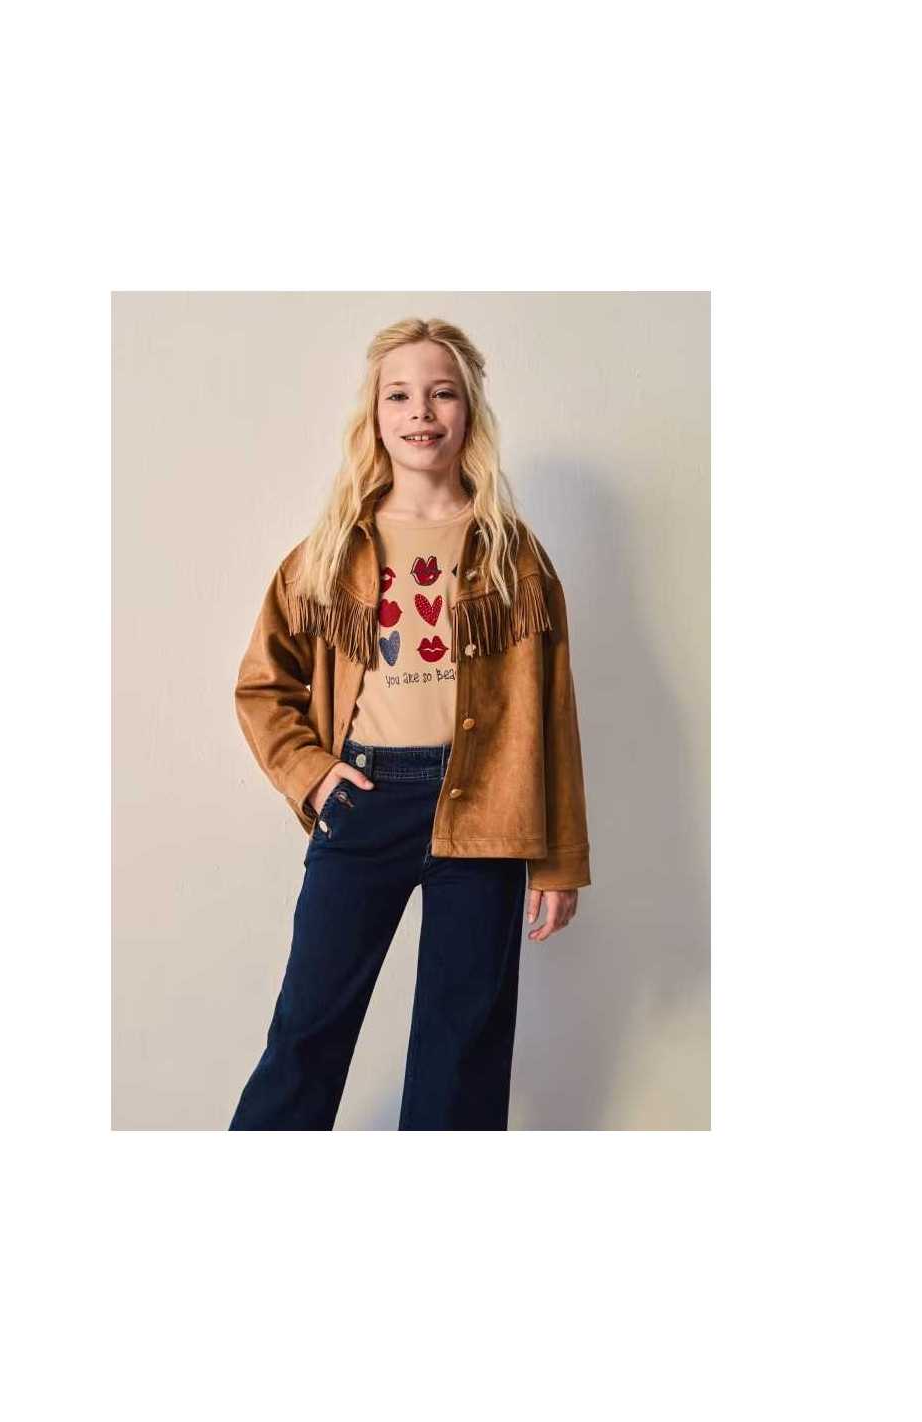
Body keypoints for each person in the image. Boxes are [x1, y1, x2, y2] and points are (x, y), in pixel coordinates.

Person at [229, 317, 591, 1130]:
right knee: (307, 1031)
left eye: (441, 393)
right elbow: (261, 687)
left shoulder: (513, 554)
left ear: (470, 412)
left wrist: (560, 859)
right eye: (399, 395)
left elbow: (554, 712)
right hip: (363, 798)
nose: (421, 411)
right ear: (374, 415)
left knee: (463, 1051)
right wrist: (312, 774)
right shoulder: (331, 551)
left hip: (487, 811)